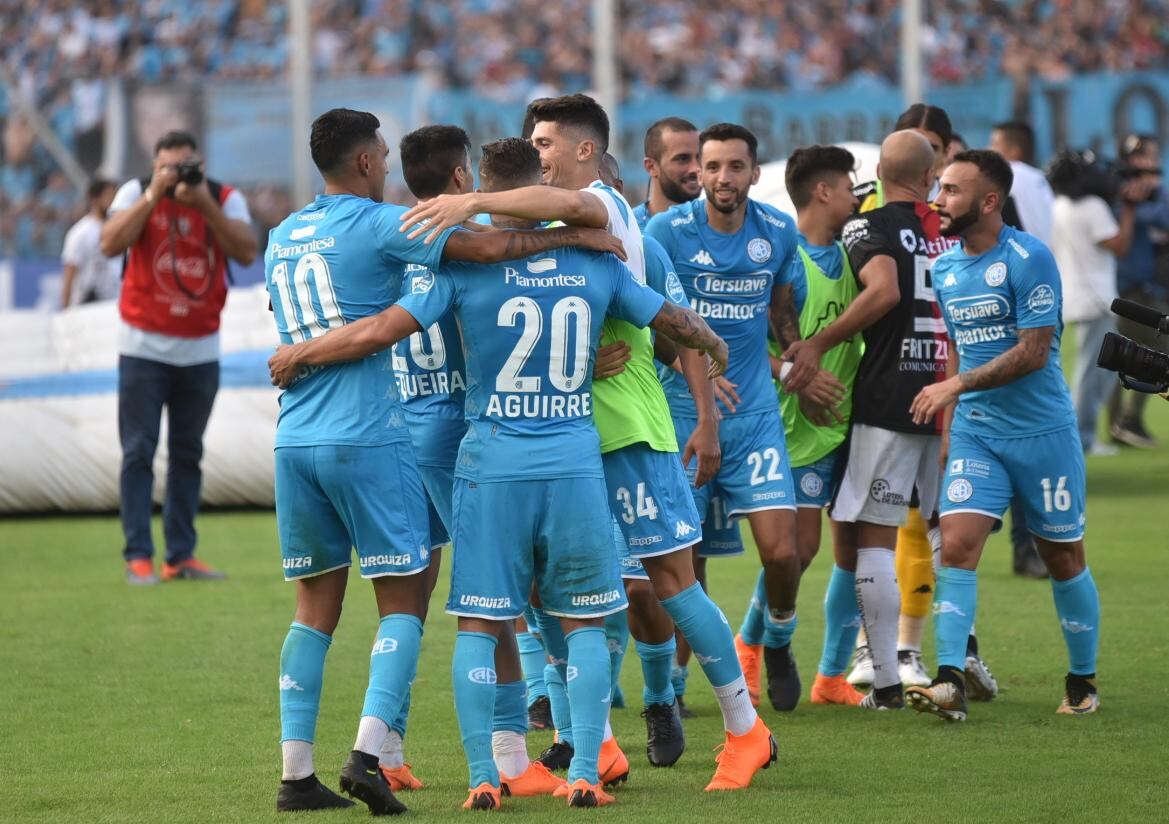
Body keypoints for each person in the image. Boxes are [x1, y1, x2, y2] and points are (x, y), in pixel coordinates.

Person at [269, 169, 731, 809]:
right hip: (571, 462)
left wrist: (302, 352)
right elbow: (676, 323)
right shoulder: (593, 265)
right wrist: (712, 343)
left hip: (484, 462)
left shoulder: (452, 269)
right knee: (585, 623)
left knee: (479, 623)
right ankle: (585, 775)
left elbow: (384, 329)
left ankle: (484, 772)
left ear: (484, 190)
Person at [404, 96, 778, 792]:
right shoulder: (557, 224)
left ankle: (744, 729)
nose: (536, 154)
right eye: (530, 143)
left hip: (626, 422)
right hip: (568, 433)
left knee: (670, 581)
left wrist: (466, 204)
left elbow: (637, 297)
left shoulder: (601, 204)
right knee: (555, 592)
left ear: (583, 152)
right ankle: (590, 743)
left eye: (545, 143)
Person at [647, 122, 845, 713]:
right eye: (711, 167)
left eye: (735, 167)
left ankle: (777, 638)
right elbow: (656, 326)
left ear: (755, 173)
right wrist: (700, 372)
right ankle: (677, 685)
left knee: (783, 553)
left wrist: (795, 368)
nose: (722, 178)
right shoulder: (665, 232)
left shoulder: (778, 231)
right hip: (682, 416)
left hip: (756, 414)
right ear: (697, 173)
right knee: (684, 563)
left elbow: (780, 313)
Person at [906, 149, 1100, 720]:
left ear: (989, 201)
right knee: (958, 548)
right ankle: (948, 681)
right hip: (977, 433)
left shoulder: (1030, 257)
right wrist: (949, 422)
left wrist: (956, 385)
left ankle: (1082, 682)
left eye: (951, 191)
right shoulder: (944, 267)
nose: (938, 199)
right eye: (938, 188)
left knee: (1062, 556)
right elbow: (957, 349)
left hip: (1044, 434)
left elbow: (1035, 353)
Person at [785, 130, 946, 709]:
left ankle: (884, 682)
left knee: (871, 540)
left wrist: (818, 341)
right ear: (931, 177)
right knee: (943, 538)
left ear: (880, 171)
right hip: (948, 394)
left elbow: (882, 292)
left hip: (887, 396)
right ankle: (949, 663)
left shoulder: (866, 227)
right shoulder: (945, 229)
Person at [734, 145, 866, 709]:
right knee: (798, 549)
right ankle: (752, 646)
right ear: (822, 191)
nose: (855, 197)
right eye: (848, 187)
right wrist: (796, 378)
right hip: (791, 429)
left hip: (846, 426)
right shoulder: (787, 265)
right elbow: (742, 349)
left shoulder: (855, 259)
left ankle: (832, 676)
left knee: (856, 552)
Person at [99, 130, 257, 585]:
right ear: (154, 164)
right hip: (142, 347)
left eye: (184, 165)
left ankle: (181, 556)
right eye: (167, 165)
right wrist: (154, 194)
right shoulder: (135, 191)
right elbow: (110, 243)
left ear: (200, 164)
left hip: (200, 348)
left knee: (188, 454)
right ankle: (138, 556)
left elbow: (247, 251)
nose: (176, 173)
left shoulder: (223, 198)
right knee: (138, 452)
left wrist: (201, 202)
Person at [1049, 150, 1143, 455]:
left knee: (1092, 371)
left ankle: (1082, 436)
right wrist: (1129, 207)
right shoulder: (1092, 206)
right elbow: (1119, 245)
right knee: (1092, 374)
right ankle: (1082, 439)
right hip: (1096, 299)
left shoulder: (1059, 204)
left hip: (1076, 296)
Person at [1109, 134, 1169, 448]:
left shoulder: (1154, 191)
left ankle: (1119, 424)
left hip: (1147, 286)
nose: (1153, 163)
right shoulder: (1117, 190)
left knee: (1122, 355)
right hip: (1128, 287)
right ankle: (1125, 421)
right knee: (1156, 351)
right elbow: (1132, 217)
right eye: (1146, 157)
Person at [990, 121, 1055, 245]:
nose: (989, 149)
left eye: (995, 144)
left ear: (1014, 150)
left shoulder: (1005, 173)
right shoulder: (1040, 178)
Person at [60, 177, 118, 308]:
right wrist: (65, 310)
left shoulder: (120, 229)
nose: (113, 201)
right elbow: (69, 273)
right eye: (109, 196)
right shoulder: (80, 233)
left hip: (114, 304)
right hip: (88, 306)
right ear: (94, 199)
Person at [634, 117, 701, 228]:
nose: (696, 168)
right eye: (682, 158)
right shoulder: (629, 228)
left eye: (699, 158)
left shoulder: (719, 225)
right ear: (651, 167)